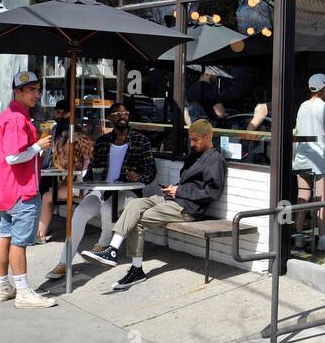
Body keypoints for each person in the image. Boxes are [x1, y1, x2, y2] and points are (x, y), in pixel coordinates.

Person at [83, 119, 226, 290]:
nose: (191, 143)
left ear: (208, 136)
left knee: (139, 220)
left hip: (187, 208)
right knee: (135, 204)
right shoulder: (196, 155)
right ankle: (112, 249)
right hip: (174, 199)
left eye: (195, 139)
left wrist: (178, 191)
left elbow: (212, 193)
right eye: (190, 139)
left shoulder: (215, 160)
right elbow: (189, 182)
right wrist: (173, 189)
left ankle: (136, 269)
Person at [45, 101, 157, 282]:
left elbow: (151, 170)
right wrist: (87, 183)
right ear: (110, 119)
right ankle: (64, 262)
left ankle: (103, 245)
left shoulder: (140, 140)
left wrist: (138, 176)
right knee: (80, 212)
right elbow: (93, 169)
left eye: (125, 113)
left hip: (128, 192)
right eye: (118, 114)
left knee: (107, 208)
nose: (122, 117)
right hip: (103, 190)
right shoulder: (103, 142)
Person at [0, 72, 55, 308]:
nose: (36, 94)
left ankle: (4, 285)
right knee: (19, 242)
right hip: (21, 189)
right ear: (17, 91)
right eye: (30, 90)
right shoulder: (17, 119)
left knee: (5, 236)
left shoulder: (8, 116)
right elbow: (13, 157)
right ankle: (23, 292)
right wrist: (38, 146)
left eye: (37, 89)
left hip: (5, 189)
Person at [291, 74, 325, 250]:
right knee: (322, 200)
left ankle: (299, 237)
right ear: (324, 88)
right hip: (321, 159)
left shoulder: (302, 106)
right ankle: (322, 240)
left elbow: (297, 130)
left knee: (303, 197)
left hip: (302, 157)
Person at [36, 127, 94, 244]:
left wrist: (59, 157)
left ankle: (40, 234)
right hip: (83, 182)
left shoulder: (71, 146)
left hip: (83, 185)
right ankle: (40, 231)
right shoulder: (83, 146)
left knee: (47, 196)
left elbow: (66, 165)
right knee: (53, 194)